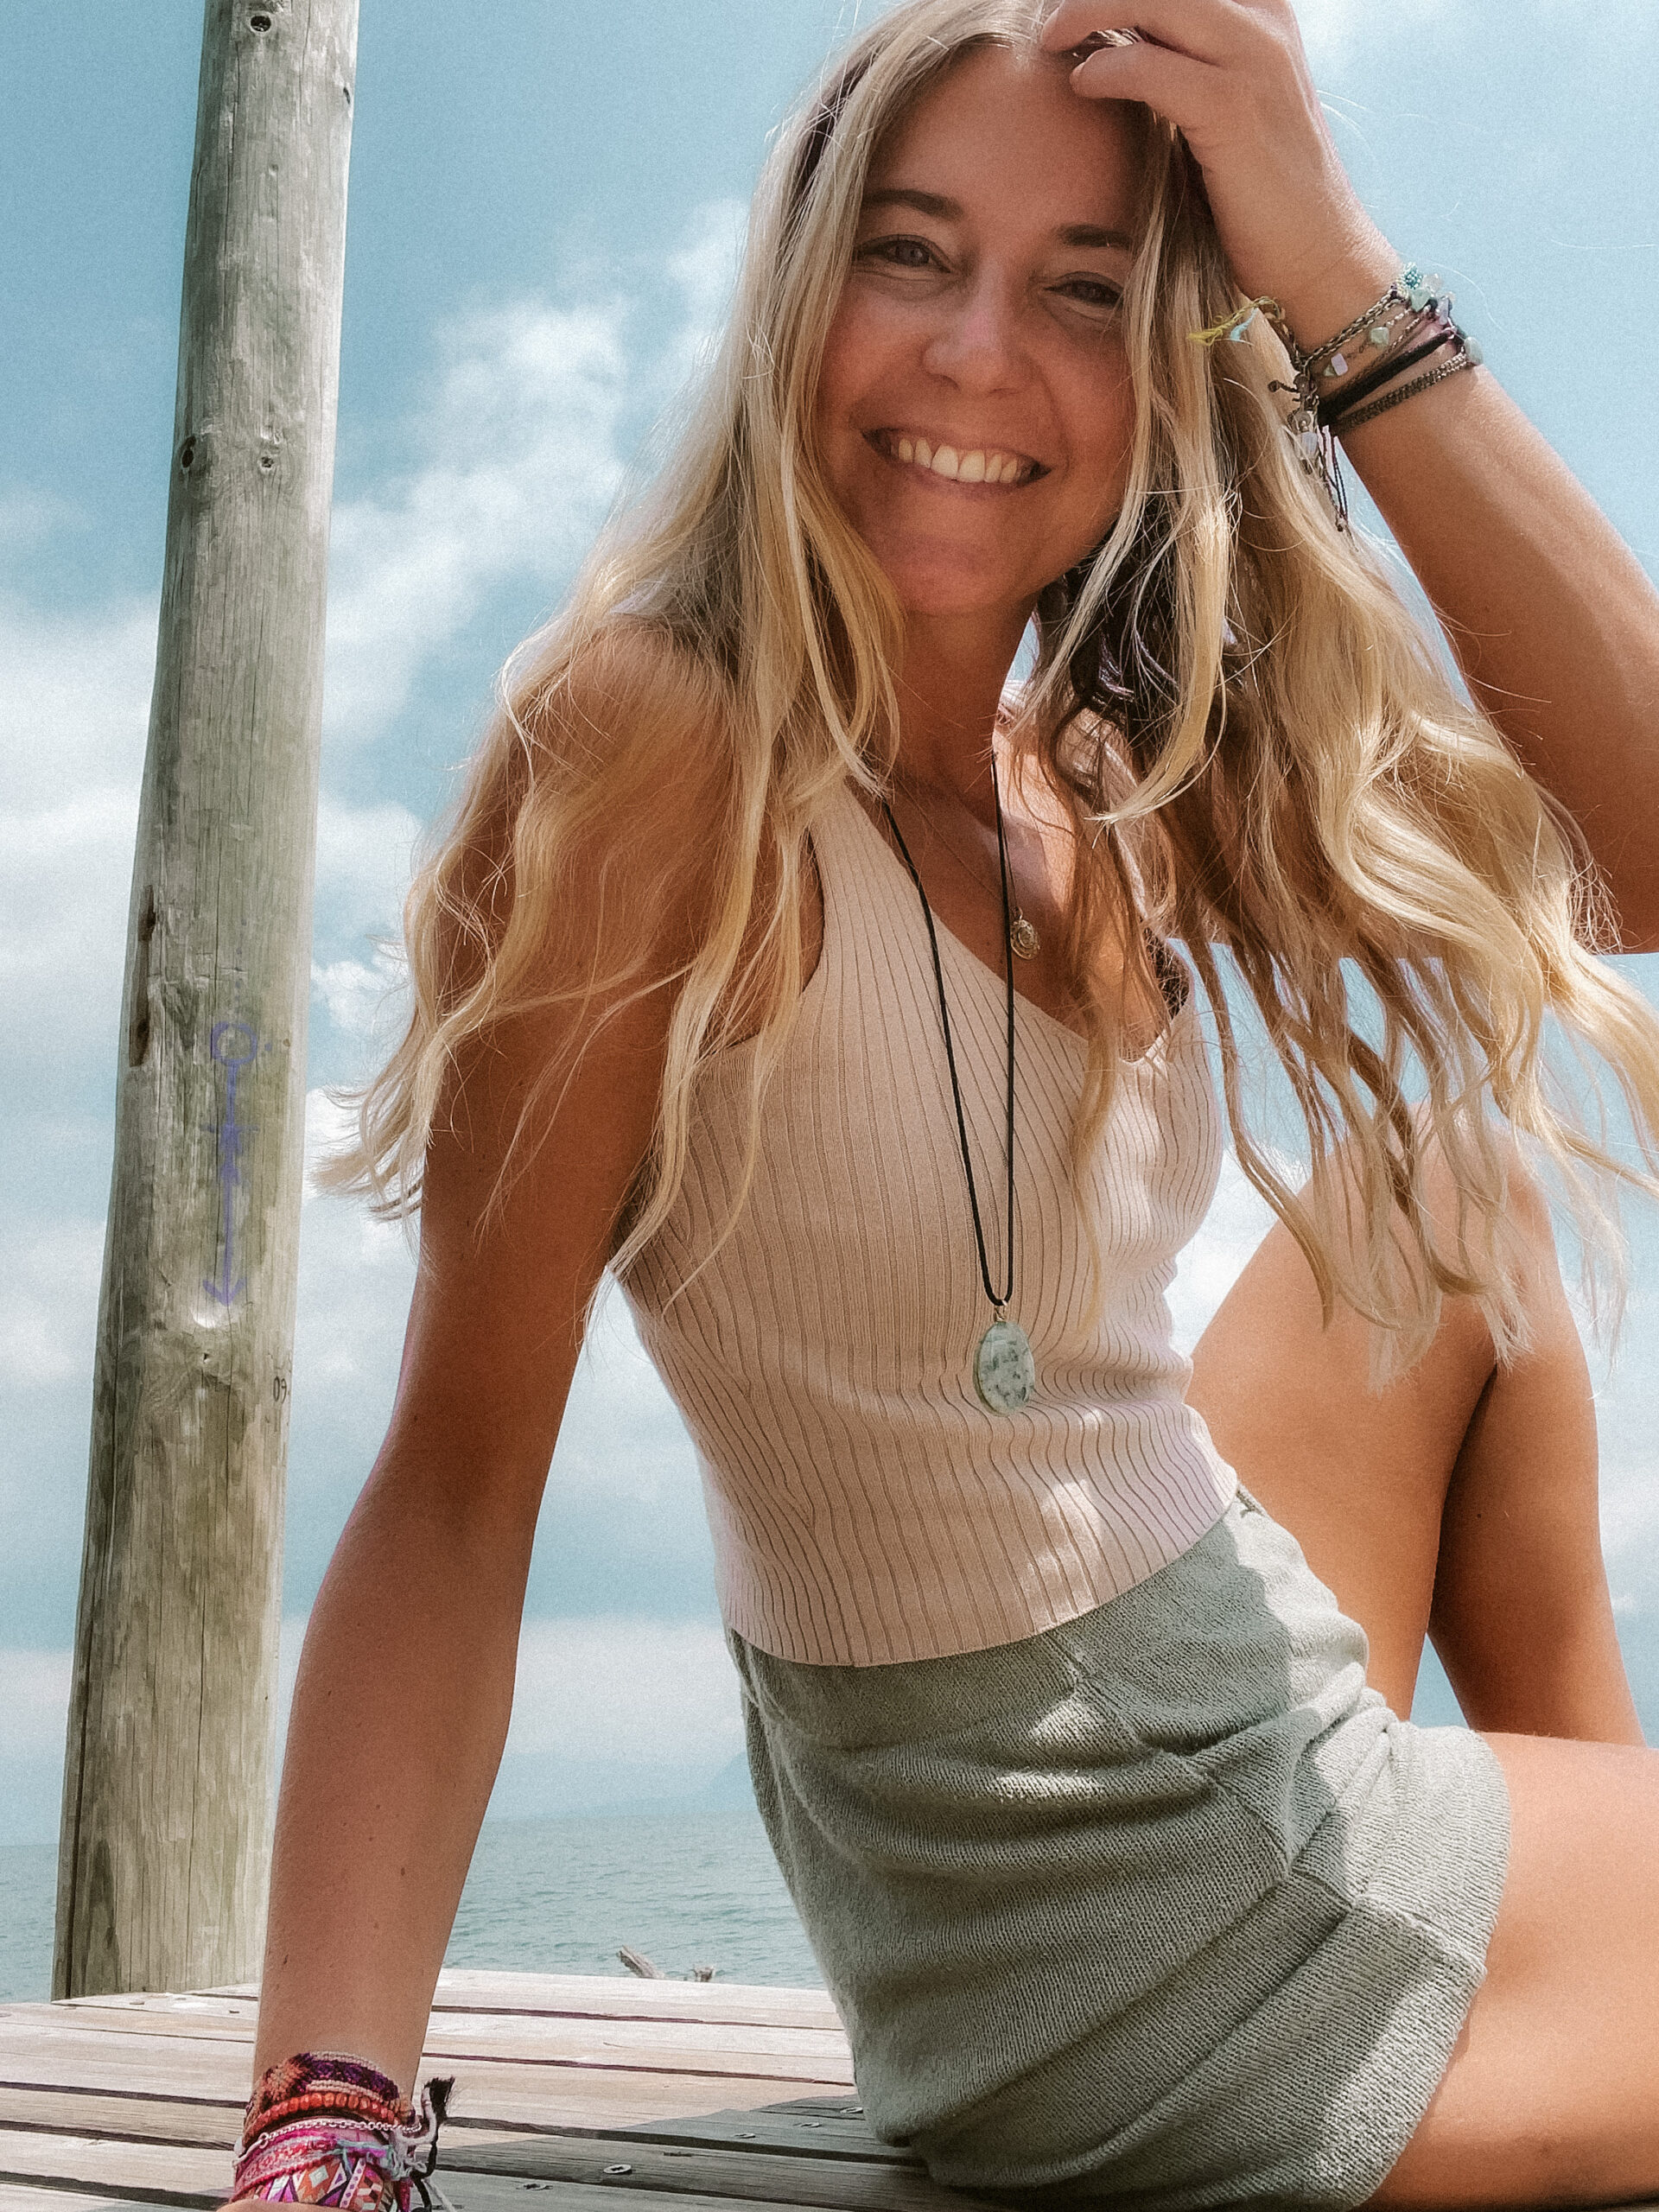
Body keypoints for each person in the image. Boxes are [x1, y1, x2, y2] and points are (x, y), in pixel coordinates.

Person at [230, 3, 1659, 2207]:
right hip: (1115, 1896)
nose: (984, 352)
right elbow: (451, 1484)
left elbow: (1637, 854)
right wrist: (323, 2130)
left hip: (1217, 1680)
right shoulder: (659, 743)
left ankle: (1552, 1945)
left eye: (1083, 286)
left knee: (1457, 1191)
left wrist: (1329, 252)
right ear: (805, 293)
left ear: (1169, 354)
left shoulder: (1095, 764)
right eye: (914, 253)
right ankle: (1540, 1964)